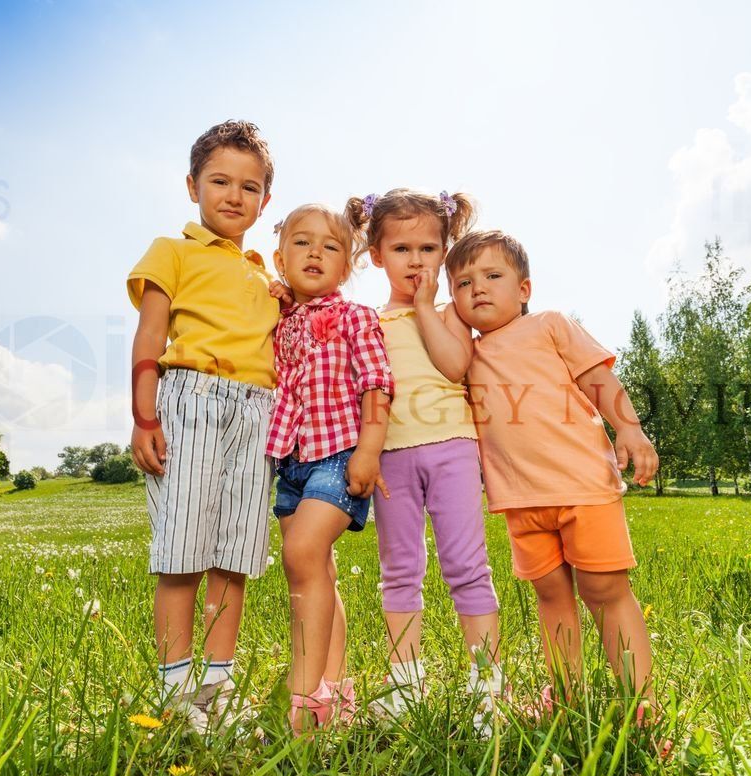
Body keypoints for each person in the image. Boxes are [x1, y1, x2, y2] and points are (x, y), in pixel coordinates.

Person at [446, 229, 660, 721]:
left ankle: (642, 701)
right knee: (551, 595)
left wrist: (629, 428)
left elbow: (598, 379)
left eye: (492, 276)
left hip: (583, 485)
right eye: (462, 283)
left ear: (524, 289)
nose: (477, 288)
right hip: (521, 501)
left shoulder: (549, 325)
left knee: (604, 590)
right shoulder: (463, 354)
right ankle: (566, 696)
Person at [127, 120, 279, 733]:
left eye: (250, 186)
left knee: (234, 554)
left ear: (265, 201)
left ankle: (216, 688)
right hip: (193, 398)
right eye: (220, 180)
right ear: (193, 185)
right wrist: (144, 415)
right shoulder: (173, 250)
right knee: (183, 553)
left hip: (257, 409)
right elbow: (149, 335)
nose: (234, 195)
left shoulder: (268, 276)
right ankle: (173, 689)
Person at [345, 189, 504, 732]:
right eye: (402, 249)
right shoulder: (366, 322)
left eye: (429, 248)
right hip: (390, 457)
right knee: (400, 571)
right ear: (375, 256)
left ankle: (487, 688)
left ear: (445, 252)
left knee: (466, 566)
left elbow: (456, 365)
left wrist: (421, 309)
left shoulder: (448, 313)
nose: (416, 261)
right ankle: (405, 684)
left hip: (453, 449)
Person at [266, 203, 394, 732]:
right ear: (280, 258)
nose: (315, 251)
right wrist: (279, 302)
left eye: (330, 245)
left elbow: (377, 383)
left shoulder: (355, 318)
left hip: (340, 453)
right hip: (292, 460)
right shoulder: (281, 321)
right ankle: (336, 691)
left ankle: (303, 696)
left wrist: (369, 449)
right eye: (301, 242)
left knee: (301, 554)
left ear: (348, 267)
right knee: (317, 571)